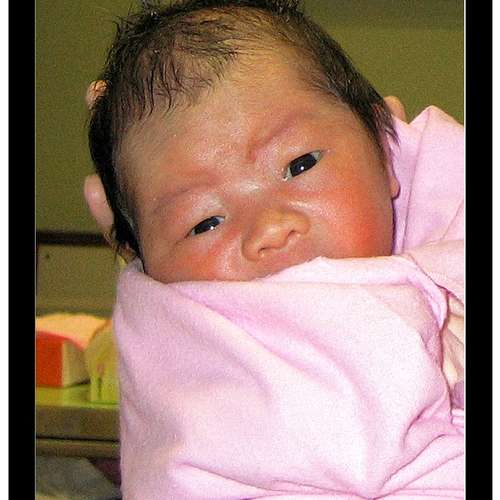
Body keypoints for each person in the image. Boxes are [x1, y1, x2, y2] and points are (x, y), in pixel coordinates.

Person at [84, 1, 464, 498]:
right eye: (205, 222)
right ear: (146, 264)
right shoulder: (219, 372)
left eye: (300, 164)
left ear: (385, 153)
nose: (268, 228)